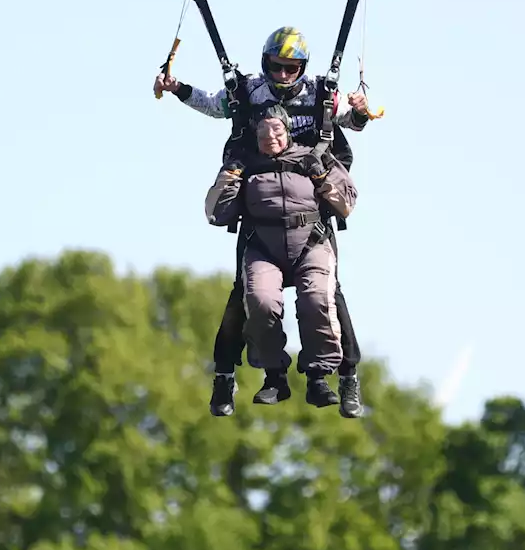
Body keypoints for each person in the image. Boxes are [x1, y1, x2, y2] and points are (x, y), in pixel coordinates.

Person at [153, 26, 374, 418]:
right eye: (277, 67)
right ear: (265, 63)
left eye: (292, 68)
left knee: (324, 297)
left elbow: (355, 120)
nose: (284, 75)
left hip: (311, 218)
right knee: (250, 296)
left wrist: (358, 108)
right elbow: (213, 104)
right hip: (261, 221)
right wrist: (177, 88)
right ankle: (244, 376)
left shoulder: (321, 95)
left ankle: (343, 376)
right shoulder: (250, 92)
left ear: (302, 69)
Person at [203, 104, 358, 415]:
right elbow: (215, 213)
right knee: (259, 301)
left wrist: (321, 175)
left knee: (318, 300)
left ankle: (319, 376)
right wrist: (231, 176)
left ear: (287, 132)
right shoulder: (246, 163)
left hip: (310, 243)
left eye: (276, 131)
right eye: (262, 132)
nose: (270, 138)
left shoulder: (313, 157)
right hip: (263, 246)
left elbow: (347, 203)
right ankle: (274, 375)